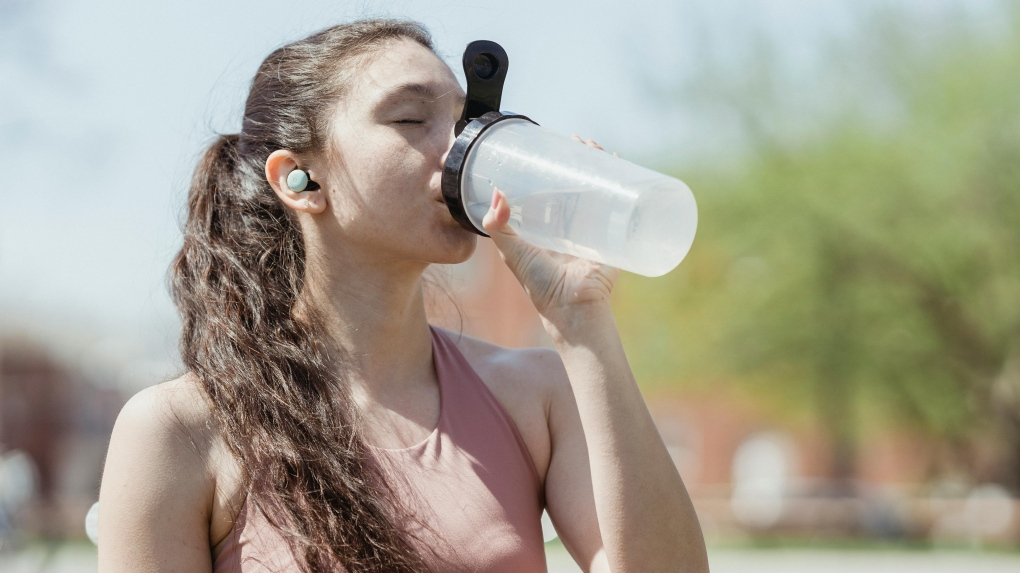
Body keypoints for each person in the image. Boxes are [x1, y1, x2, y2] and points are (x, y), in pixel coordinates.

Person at [97, 19, 708, 573]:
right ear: (300, 180)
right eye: (412, 120)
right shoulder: (180, 430)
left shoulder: (536, 394)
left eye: (467, 121)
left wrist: (585, 324)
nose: (461, 150)